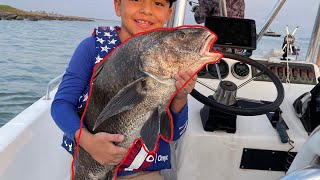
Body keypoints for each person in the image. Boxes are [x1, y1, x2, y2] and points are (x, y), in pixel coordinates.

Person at [51, 0, 197, 179]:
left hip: (142, 173)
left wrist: (181, 96)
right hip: (88, 165)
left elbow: (174, 133)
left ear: (168, 14)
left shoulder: (171, 62)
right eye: (136, 0)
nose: (146, 10)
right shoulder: (92, 48)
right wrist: (88, 142)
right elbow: (61, 105)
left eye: (158, 3)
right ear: (117, 6)